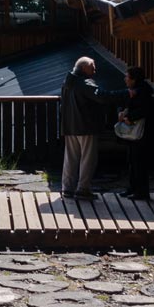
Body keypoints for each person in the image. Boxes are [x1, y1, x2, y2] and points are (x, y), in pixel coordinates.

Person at [60, 56, 125, 200]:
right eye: (92, 68)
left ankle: (67, 188)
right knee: (88, 159)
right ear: (84, 68)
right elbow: (102, 97)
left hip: (70, 126)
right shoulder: (84, 83)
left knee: (71, 158)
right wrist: (125, 94)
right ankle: (83, 189)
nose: (95, 71)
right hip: (86, 126)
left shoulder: (67, 82)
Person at [118, 65, 153, 201]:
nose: (125, 79)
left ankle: (142, 192)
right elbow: (126, 105)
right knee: (132, 161)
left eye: (127, 77)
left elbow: (144, 110)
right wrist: (122, 113)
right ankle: (133, 188)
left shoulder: (143, 92)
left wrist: (129, 117)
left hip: (142, 132)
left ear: (134, 79)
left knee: (139, 162)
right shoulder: (134, 90)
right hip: (134, 131)